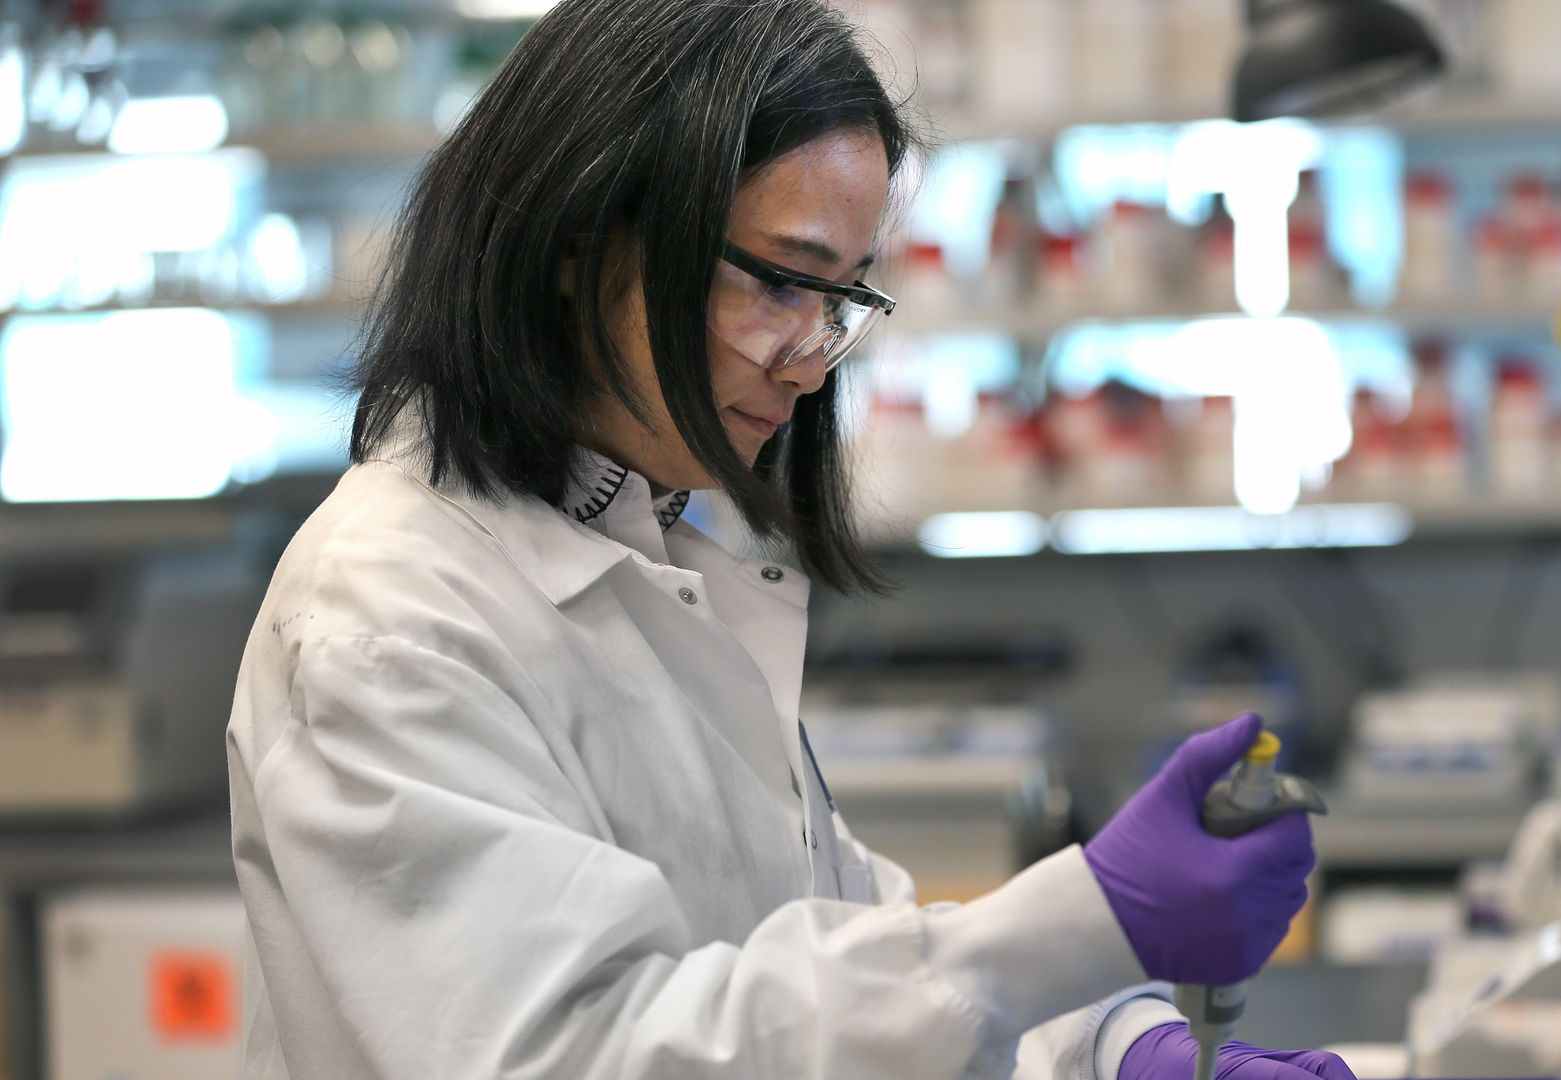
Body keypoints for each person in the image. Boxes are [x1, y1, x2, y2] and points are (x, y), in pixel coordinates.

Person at [226, 2, 1348, 1077]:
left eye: (843, 299)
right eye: (779, 283)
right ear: (577, 239)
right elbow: (588, 1051)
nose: (812, 363)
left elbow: (839, 943)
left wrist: (1110, 1042)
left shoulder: (647, 560)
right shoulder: (385, 615)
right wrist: (1086, 920)